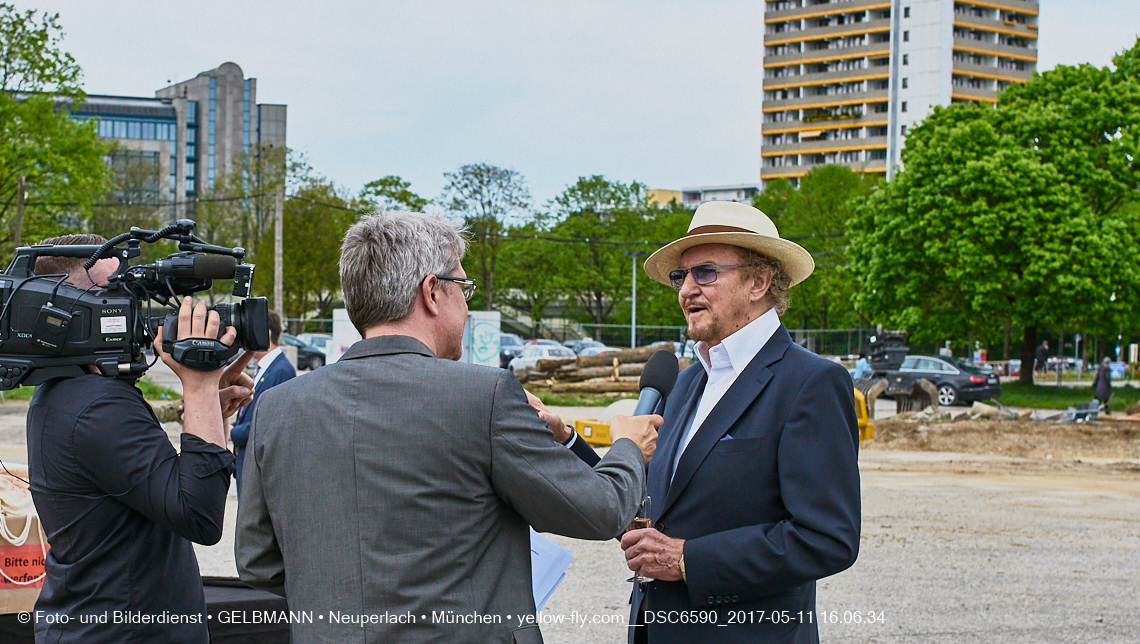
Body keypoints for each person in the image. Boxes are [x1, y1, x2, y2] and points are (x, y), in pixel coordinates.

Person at [235, 210, 660, 644]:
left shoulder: (277, 408)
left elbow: (258, 563)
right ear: (433, 292)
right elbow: (601, 511)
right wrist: (627, 444)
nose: (468, 302)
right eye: (464, 286)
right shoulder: (484, 395)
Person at [620, 201, 861, 643]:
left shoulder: (810, 382)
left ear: (759, 281)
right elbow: (656, 497)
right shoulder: (686, 382)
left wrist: (689, 560)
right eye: (681, 276)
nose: (686, 290)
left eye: (705, 273)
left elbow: (829, 538)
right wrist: (566, 438)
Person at [28, 255, 254, 644]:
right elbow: (199, 513)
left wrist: (209, 411)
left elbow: (160, 488)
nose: (130, 308)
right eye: (111, 295)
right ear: (70, 312)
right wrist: (199, 384)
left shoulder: (70, 392)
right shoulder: (98, 406)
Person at [229, 309, 295, 493]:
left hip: (259, 462)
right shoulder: (266, 368)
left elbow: (273, 422)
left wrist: (233, 432)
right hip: (248, 458)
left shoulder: (281, 371)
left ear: (265, 335)